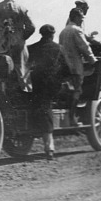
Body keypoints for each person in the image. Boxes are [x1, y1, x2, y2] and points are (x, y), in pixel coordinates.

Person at [27, 24, 69, 160]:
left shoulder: (32, 48)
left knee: (40, 106)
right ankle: (49, 147)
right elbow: (66, 69)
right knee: (47, 108)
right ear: (52, 35)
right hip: (52, 85)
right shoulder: (59, 48)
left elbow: (27, 65)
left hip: (35, 84)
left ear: (41, 34)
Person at [59, 8, 98, 126]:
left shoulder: (63, 31)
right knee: (77, 91)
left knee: (69, 91)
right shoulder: (77, 30)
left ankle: (69, 117)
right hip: (75, 66)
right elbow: (84, 47)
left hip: (65, 66)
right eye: (81, 18)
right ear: (75, 17)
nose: (82, 20)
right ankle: (72, 119)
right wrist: (93, 61)